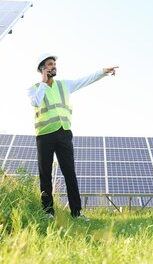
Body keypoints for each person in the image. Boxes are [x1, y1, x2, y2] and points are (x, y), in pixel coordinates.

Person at [27, 53, 118, 220]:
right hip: (44, 136)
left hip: (64, 134)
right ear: (42, 68)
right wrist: (43, 83)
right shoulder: (34, 88)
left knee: (70, 173)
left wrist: (103, 72)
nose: (53, 66)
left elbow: (85, 80)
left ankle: (76, 213)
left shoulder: (64, 85)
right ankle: (48, 212)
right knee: (45, 174)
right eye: (49, 64)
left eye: (54, 64)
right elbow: (36, 102)